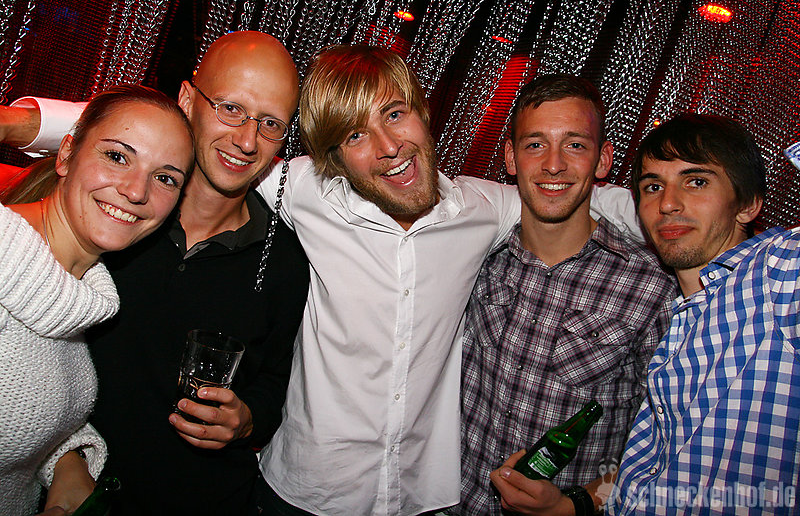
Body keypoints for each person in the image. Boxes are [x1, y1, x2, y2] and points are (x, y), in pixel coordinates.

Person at [253, 45, 642, 515]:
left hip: (417, 498)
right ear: (334, 158)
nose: (389, 146)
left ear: (422, 112)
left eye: (395, 114)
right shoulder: (304, 190)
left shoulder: (481, 209)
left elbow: (566, 190)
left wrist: (672, 218)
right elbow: (225, 156)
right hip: (306, 491)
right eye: (356, 135)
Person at [2, 31, 309, 515]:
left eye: (270, 123)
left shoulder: (284, 257)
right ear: (188, 99)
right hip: (74, 490)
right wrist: (18, 123)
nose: (248, 140)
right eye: (230, 108)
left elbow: (277, 379)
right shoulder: (115, 221)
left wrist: (246, 419)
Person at [489, 113, 800, 515]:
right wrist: (574, 505)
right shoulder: (681, 320)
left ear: (748, 204)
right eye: (653, 187)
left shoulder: (774, 279)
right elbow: (647, 472)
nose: (667, 203)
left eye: (696, 182)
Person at [452, 75, 676, 515]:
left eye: (574, 145)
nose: (553, 165)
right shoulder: (476, 258)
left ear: (602, 159)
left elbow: (665, 452)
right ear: (511, 158)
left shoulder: (651, 288)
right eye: (535, 144)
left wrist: (576, 504)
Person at [0, 84, 194, 516]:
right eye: (117, 157)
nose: (136, 191)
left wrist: (66, 461)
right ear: (66, 154)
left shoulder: (78, 290)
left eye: (165, 178)